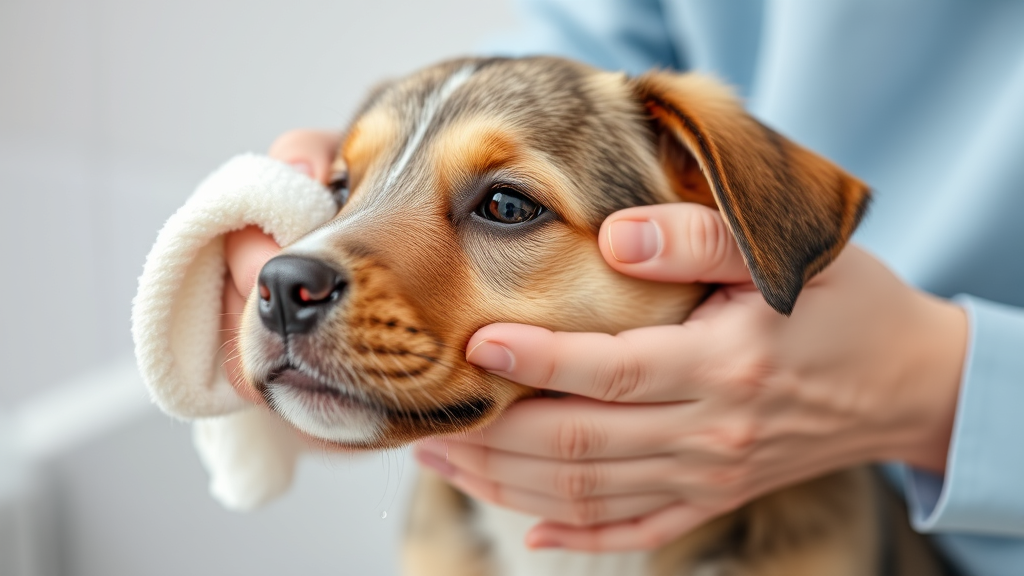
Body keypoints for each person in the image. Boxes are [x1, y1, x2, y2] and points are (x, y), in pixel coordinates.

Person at [221, 2, 1024, 574]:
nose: (306, 270)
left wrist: (937, 387)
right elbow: (575, 52)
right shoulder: (441, 545)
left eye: (506, 205)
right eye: (344, 188)